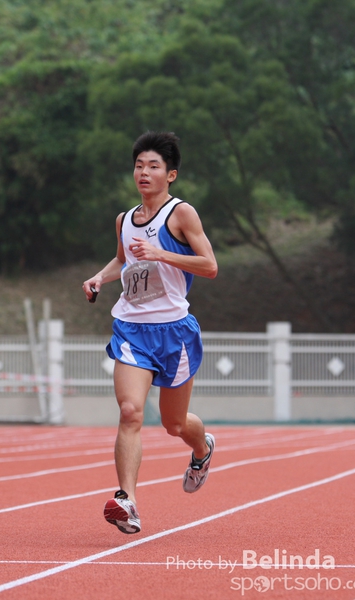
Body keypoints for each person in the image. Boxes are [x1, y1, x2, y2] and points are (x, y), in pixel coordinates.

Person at [82, 131, 218, 534]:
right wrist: (100, 277)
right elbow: (123, 259)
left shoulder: (181, 214)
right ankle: (127, 501)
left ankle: (202, 447)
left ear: (170, 174)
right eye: (139, 165)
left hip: (174, 332)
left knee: (174, 424)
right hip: (132, 329)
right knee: (130, 411)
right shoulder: (124, 220)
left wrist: (161, 253)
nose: (144, 172)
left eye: (153, 166)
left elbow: (210, 266)